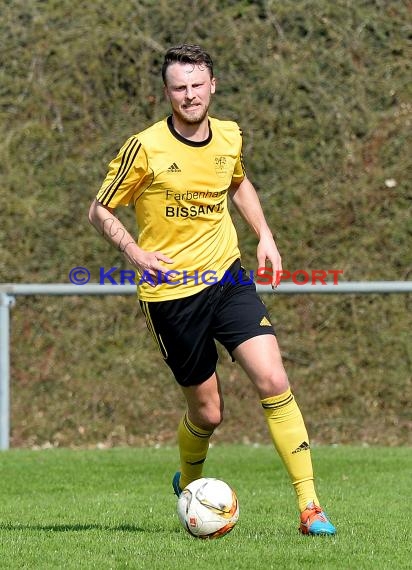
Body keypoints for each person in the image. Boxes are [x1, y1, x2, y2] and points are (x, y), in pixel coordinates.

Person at [88, 43, 336, 536]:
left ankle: (311, 508)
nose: (189, 95)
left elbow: (237, 181)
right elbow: (100, 209)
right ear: (167, 93)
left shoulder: (228, 136)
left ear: (212, 86)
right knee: (208, 412)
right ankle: (191, 486)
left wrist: (264, 234)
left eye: (197, 85)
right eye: (179, 87)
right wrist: (135, 253)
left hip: (227, 278)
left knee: (273, 380)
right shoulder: (146, 147)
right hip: (170, 297)